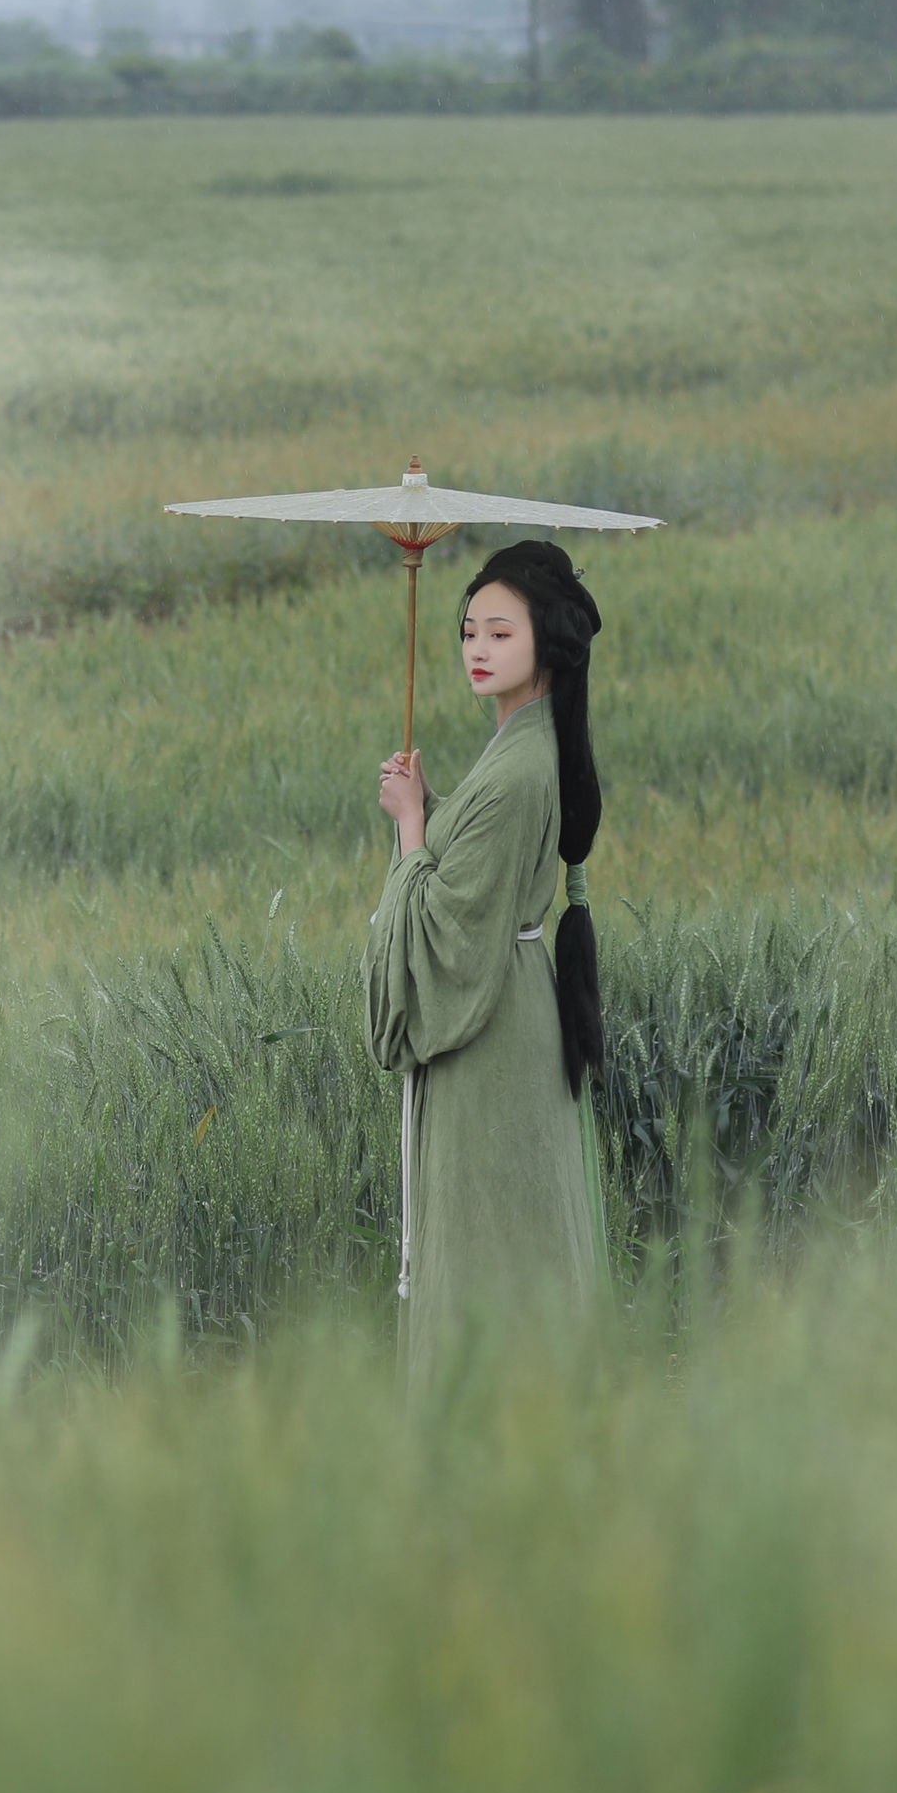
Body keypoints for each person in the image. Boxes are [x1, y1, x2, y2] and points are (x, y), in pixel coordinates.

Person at [361, 539, 608, 1375]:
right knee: (514, 1237)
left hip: (491, 1032)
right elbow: (479, 877)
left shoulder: (515, 775)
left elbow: (451, 932)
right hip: (514, 1008)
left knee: (490, 1242)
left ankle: (486, 1437)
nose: (476, 649)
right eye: (469, 631)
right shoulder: (527, 750)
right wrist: (432, 809)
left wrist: (408, 829)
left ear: (547, 643)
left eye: (500, 634)